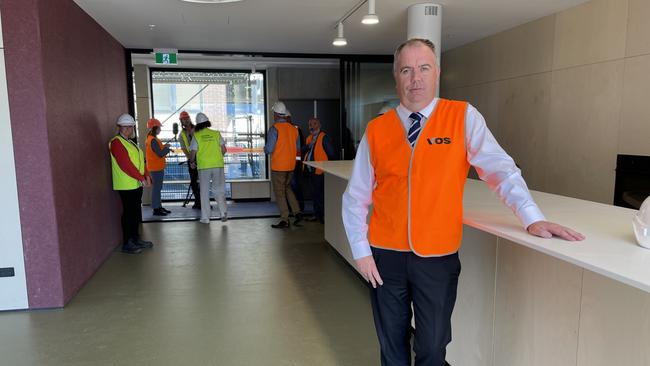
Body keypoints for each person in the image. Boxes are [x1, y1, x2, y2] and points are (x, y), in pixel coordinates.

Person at [341, 38, 586, 366]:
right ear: (396, 76)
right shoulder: (377, 130)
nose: (416, 78)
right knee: (391, 345)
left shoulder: (462, 117)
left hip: (437, 258)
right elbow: (355, 196)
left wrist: (531, 216)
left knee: (432, 346)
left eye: (424, 68)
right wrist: (360, 250)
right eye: (406, 70)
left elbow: (501, 170)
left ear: (437, 73)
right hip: (384, 257)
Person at [109, 113, 155, 254]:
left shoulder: (130, 142)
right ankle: (127, 243)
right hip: (126, 185)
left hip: (135, 184)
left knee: (135, 212)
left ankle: (135, 238)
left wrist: (146, 176)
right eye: (129, 127)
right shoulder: (116, 142)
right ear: (124, 127)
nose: (131, 130)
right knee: (129, 213)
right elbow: (125, 165)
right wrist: (141, 178)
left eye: (131, 127)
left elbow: (141, 162)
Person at [265, 101, 303, 229]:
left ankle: (284, 219)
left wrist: (265, 148)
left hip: (278, 167)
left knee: (280, 192)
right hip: (291, 166)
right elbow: (298, 148)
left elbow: (269, 149)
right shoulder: (294, 129)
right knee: (287, 188)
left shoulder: (274, 129)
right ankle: (297, 212)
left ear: (276, 114)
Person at [189, 112, 228, 224]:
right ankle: (223, 213)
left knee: (204, 191)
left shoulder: (196, 136)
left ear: (197, 124)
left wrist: (192, 161)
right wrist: (217, 158)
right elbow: (224, 150)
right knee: (219, 190)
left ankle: (205, 218)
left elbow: (193, 152)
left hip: (204, 166)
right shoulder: (216, 134)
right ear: (207, 122)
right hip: (218, 165)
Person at [303, 117, 334, 223]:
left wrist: (329, 169)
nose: (312, 126)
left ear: (319, 125)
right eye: (310, 124)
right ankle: (317, 215)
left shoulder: (323, 137)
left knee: (320, 194)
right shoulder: (309, 138)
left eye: (314, 124)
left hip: (320, 171)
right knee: (315, 194)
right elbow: (303, 150)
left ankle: (323, 216)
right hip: (311, 170)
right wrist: (309, 145)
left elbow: (331, 154)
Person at [145, 118, 172, 216]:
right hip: (156, 168)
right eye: (159, 127)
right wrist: (167, 148)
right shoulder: (153, 140)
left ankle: (158, 206)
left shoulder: (151, 139)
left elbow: (157, 151)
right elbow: (160, 154)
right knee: (156, 189)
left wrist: (164, 147)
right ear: (155, 128)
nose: (160, 129)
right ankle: (156, 209)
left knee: (157, 188)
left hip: (155, 167)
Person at [179, 111, 201, 209]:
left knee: (203, 181)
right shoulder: (182, 134)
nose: (186, 120)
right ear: (181, 121)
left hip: (201, 157)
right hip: (192, 159)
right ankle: (198, 202)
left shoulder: (197, 129)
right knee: (194, 182)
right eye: (184, 119)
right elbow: (184, 148)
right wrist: (191, 160)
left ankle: (203, 202)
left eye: (187, 118)